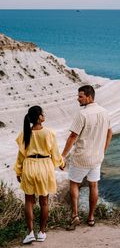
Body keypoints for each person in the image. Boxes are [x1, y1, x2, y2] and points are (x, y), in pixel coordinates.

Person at [61, 85, 112, 230]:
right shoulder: (105, 112)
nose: (78, 99)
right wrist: (103, 150)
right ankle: (91, 218)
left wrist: (63, 155)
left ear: (89, 97)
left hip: (82, 157)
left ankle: (75, 215)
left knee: (74, 183)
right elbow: (109, 133)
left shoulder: (82, 115)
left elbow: (72, 136)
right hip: (97, 158)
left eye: (80, 96)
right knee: (93, 185)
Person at [14, 105, 64, 244]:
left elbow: (21, 155)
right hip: (44, 167)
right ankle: (41, 232)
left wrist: (18, 171)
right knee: (44, 202)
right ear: (39, 117)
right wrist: (61, 164)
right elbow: (55, 153)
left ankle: (30, 233)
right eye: (43, 114)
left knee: (29, 202)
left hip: (29, 166)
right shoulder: (49, 133)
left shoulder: (24, 133)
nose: (44, 116)